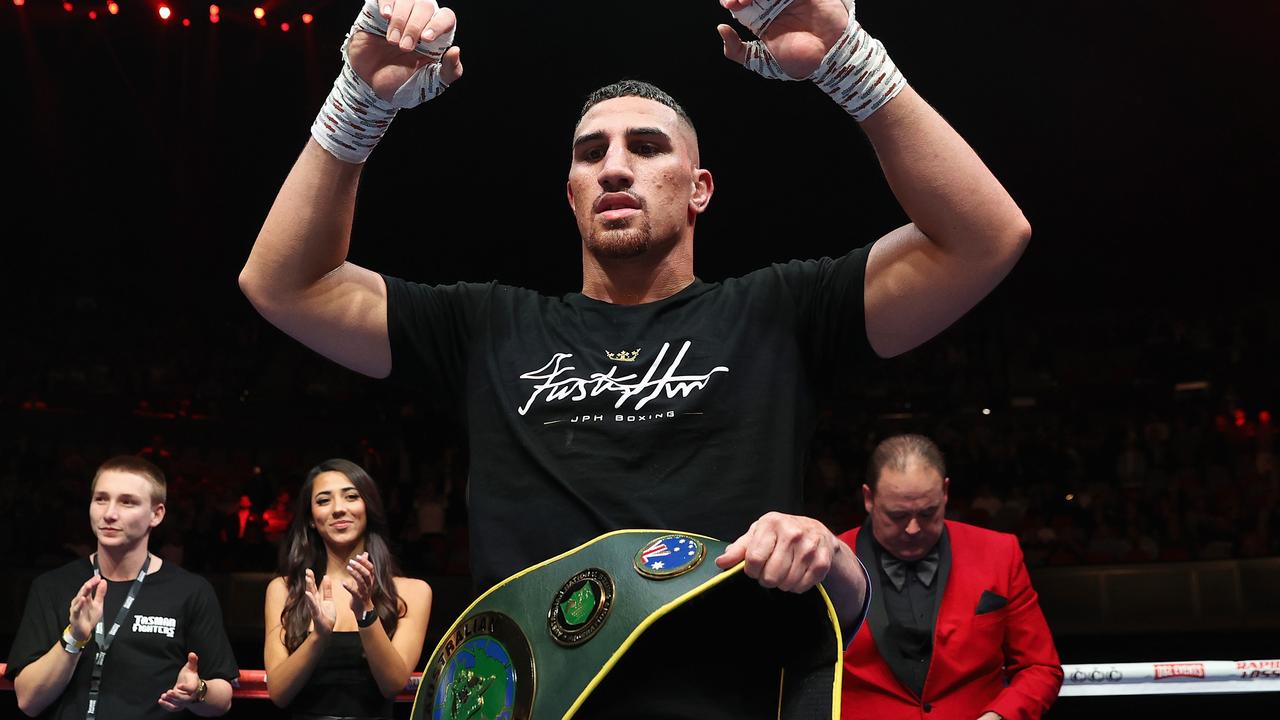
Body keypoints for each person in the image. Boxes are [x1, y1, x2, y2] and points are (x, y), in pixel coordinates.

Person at [242, 0, 1031, 657]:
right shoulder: (487, 324)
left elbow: (985, 238)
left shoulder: (778, 311)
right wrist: (358, 102)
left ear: (700, 190)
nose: (615, 166)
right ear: (572, 195)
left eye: (646, 148)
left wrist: (849, 62)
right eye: (592, 154)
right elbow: (283, 284)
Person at [838, 435, 1062, 720]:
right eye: (897, 515)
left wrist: (999, 716)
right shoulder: (829, 564)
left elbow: (1040, 668)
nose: (912, 529)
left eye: (928, 512)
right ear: (869, 499)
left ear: (945, 492)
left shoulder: (999, 553)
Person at [7, 455, 238, 719]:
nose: (109, 513)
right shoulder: (52, 586)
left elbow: (223, 699)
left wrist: (198, 690)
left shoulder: (191, 591)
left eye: (127, 502)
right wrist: (74, 637)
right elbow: (28, 701)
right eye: (101, 499)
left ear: (157, 514)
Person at [263, 459, 432, 720]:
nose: (339, 509)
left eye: (351, 496)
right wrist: (319, 635)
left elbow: (393, 684)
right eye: (323, 501)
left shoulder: (412, 592)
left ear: (368, 507)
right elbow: (278, 692)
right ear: (310, 519)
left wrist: (366, 612)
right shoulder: (285, 590)